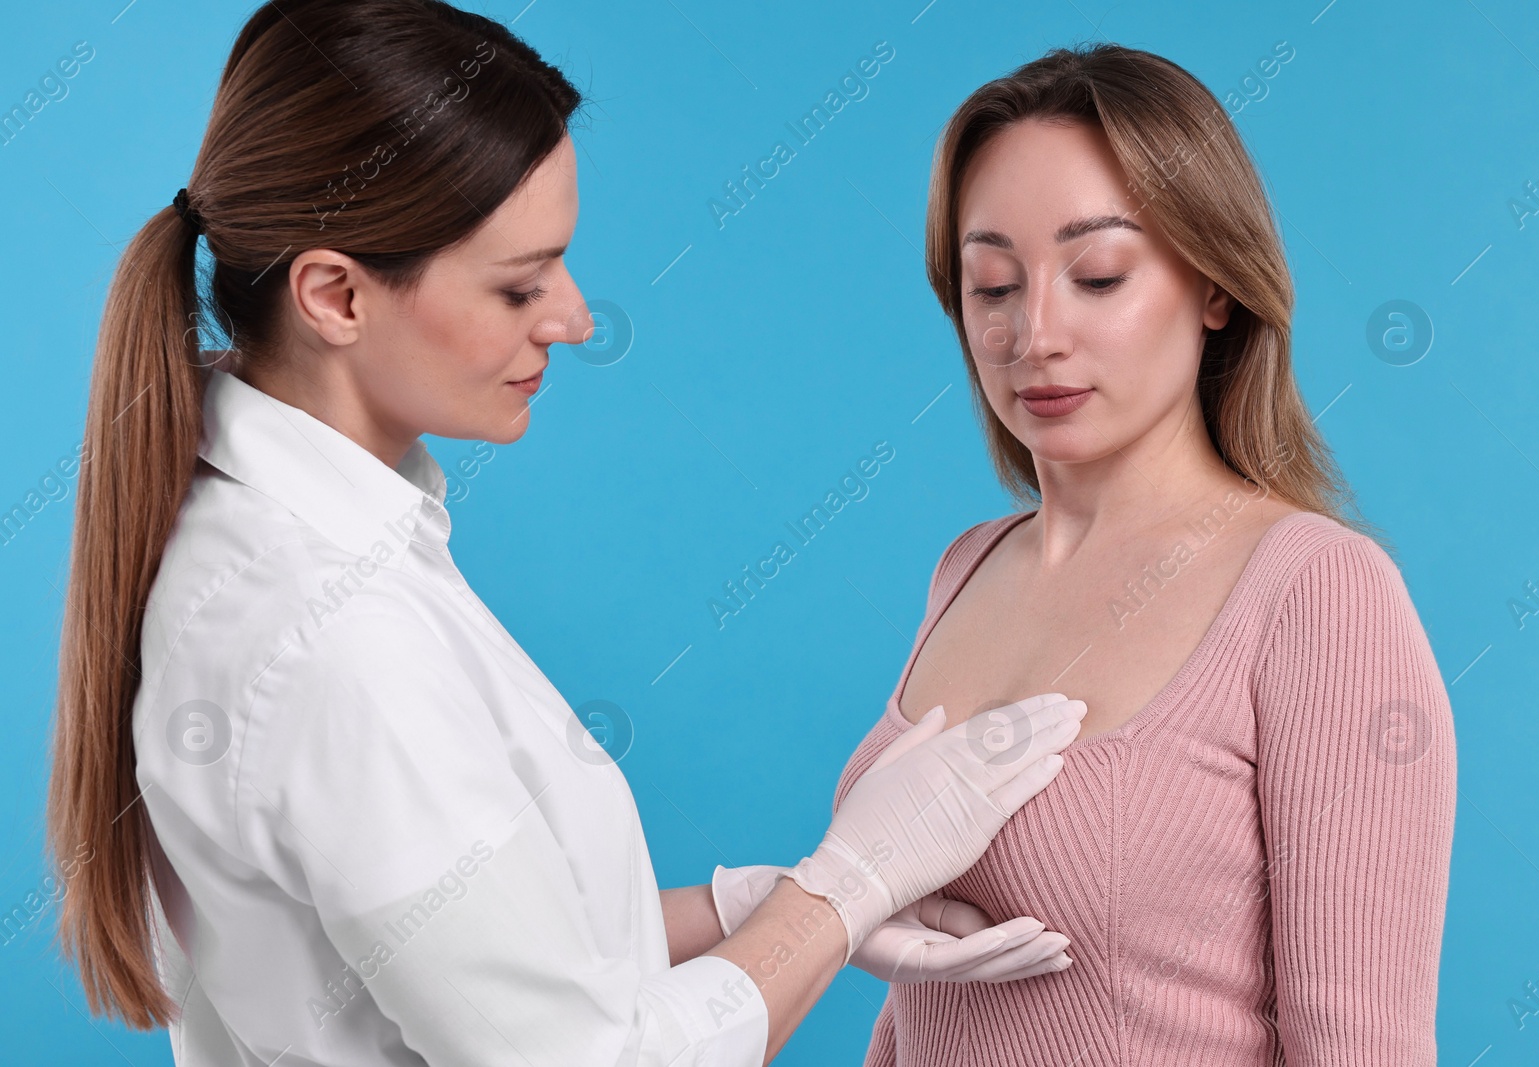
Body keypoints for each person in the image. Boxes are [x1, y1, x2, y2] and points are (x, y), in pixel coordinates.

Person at [42, 3, 1088, 1064]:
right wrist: (846, 883)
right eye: (518, 284)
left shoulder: (280, 537)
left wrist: (746, 911)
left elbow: (457, 959)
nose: (576, 318)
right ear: (335, 296)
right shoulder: (333, 639)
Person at [727, 44, 1457, 1065]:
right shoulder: (967, 568)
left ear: (1214, 286)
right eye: (990, 285)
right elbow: (923, 1016)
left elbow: (1362, 1048)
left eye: (1098, 275)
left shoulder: (1317, 596)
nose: (1035, 333)